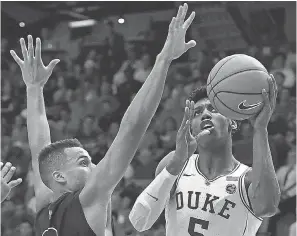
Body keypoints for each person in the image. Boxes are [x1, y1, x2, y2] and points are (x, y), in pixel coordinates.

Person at [10, 3, 196, 236]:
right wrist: (163, 59)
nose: (96, 166)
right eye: (83, 162)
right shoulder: (88, 198)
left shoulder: (44, 207)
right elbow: (131, 128)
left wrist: (34, 88)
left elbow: (39, 144)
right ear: (59, 177)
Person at [130, 76, 281, 235]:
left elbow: (268, 207)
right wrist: (176, 163)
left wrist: (260, 129)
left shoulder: (248, 178)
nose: (205, 115)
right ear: (191, 128)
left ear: (233, 122)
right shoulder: (175, 164)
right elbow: (140, 221)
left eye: (214, 109)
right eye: (196, 112)